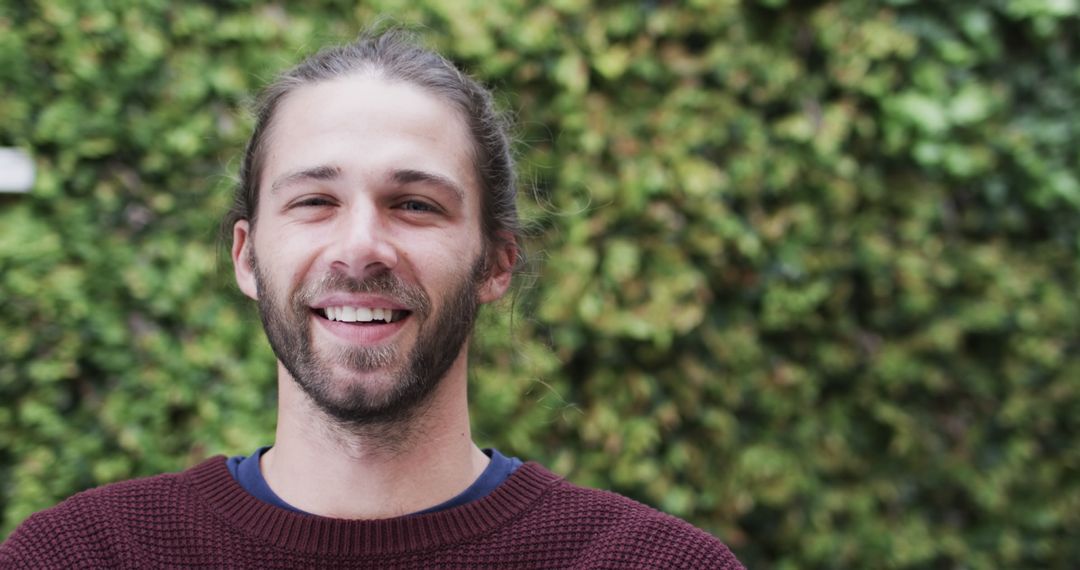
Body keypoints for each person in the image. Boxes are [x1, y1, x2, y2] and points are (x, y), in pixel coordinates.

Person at [0, 28, 744, 569]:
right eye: (315, 201)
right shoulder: (86, 555)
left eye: (415, 205)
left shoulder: (646, 562)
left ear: (496, 262)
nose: (361, 247)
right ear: (246, 256)